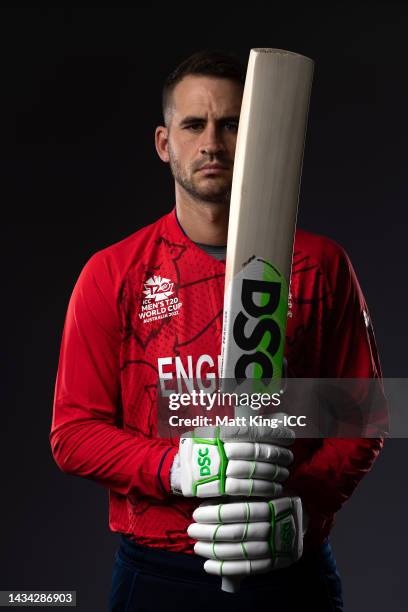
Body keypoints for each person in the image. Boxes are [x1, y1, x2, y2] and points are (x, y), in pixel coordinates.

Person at [50, 49, 385, 611]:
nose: (212, 142)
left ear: (255, 134)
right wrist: (174, 466)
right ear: (165, 143)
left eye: (231, 124)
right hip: (160, 574)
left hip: (288, 566)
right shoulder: (112, 272)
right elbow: (72, 434)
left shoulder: (320, 264)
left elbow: (363, 414)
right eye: (193, 124)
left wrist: (302, 508)